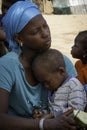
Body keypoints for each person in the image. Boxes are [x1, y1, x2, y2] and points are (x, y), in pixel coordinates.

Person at [0, 1, 77, 130]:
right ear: (19, 38)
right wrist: (44, 124)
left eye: (45, 26)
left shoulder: (61, 62)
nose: (46, 34)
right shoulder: (7, 66)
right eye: (36, 31)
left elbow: (79, 102)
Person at [32, 48, 86, 118]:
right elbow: (54, 109)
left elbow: (77, 110)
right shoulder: (54, 88)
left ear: (61, 71)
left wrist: (52, 115)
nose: (46, 86)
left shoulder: (74, 85)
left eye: (47, 82)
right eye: (42, 83)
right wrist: (42, 113)